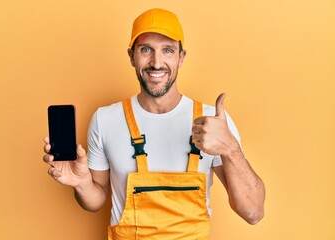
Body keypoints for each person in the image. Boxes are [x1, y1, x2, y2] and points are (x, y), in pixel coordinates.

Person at [43, 8, 265, 239]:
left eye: (168, 50)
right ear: (131, 56)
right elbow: (95, 200)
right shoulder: (105, 120)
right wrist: (81, 183)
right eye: (146, 49)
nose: (156, 63)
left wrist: (230, 148)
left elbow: (253, 213)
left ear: (181, 57)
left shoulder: (214, 123)